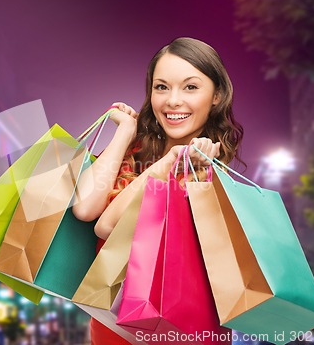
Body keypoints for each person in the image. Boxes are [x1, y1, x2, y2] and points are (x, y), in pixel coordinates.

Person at [73, 37, 244, 344]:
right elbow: (85, 209)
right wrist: (125, 133)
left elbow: (107, 226)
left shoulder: (208, 176)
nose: (172, 101)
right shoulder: (136, 151)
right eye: (161, 87)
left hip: (176, 329)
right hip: (112, 322)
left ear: (216, 95)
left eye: (190, 87)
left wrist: (170, 162)